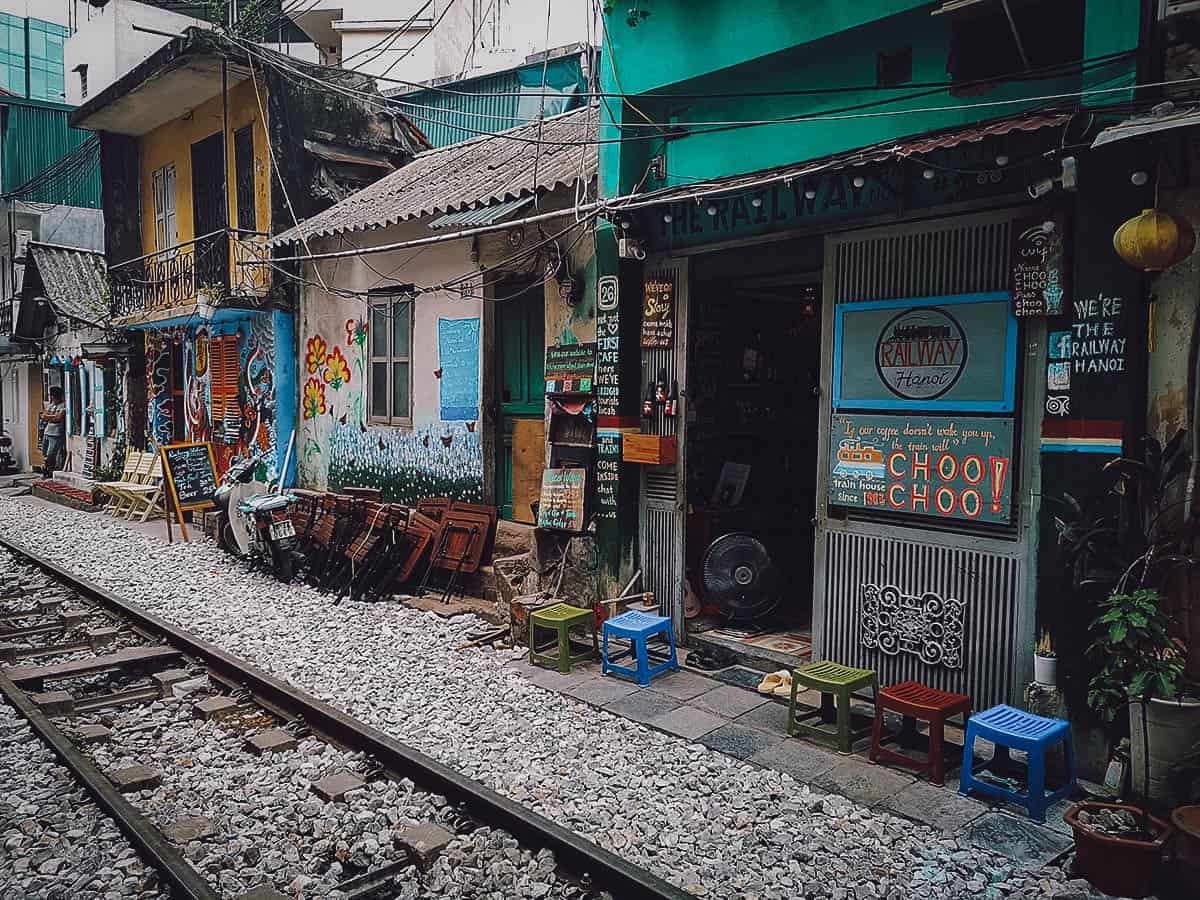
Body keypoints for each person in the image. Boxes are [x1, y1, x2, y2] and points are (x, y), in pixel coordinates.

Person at [40, 386, 65, 477]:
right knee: (45, 452)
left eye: (52, 396)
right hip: (47, 432)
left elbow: (58, 418)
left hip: (56, 433)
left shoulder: (63, 405)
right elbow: (43, 416)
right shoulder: (51, 405)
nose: (51, 397)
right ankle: (47, 470)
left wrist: (49, 417)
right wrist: (51, 417)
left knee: (51, 454)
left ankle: (49, 470)